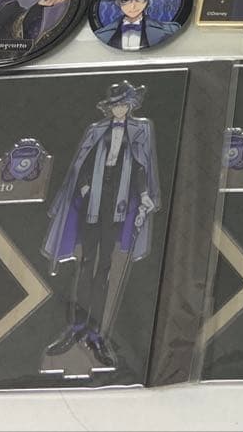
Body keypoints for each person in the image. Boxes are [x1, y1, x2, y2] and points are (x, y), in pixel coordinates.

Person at [42, 82, 160, 368]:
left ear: (130, 106)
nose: (119, 109)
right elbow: (81, 166)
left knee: (105, 267)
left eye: (123, 104)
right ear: (110, 108)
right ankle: (76, 327)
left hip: (117, 204)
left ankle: (96, 333)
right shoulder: (97, 131)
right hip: (92, 202)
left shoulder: (139, 131)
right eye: (115, 105)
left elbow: (141, 168)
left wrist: (145, 195)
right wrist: (85, 189)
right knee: (85, 264)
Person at [92, 0, 180, 50]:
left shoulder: (169, 30)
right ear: (118, 3)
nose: (133, 6)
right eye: (125, 0)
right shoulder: (102, 34)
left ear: (148, 0)